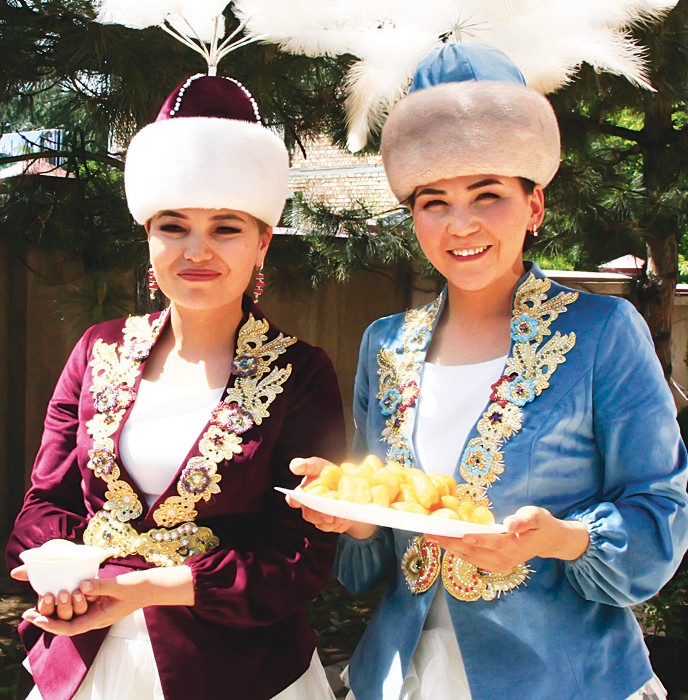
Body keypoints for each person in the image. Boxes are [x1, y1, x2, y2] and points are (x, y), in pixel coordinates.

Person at [289, 43, 688, 700]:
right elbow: (370, 558)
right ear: (412, 216)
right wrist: (348, 513)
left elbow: (659, 513)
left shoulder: (602, 334)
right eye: (434, 201)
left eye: (488, 195)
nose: (461, 225)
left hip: (562, 677)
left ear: (535, 206)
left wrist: (560, 540)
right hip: (400, 676)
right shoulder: (385, 345)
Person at [6, 72, 346, 700]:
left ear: (262, 242)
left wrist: (145, 586)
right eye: (173, 226)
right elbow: (44, 505)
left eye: (225, 228)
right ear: (147, 236)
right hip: (86, 650)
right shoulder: (99, 349)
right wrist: (66, 574)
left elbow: (298, 556)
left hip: (236, 669)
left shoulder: (300, 373)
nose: (196, 251)